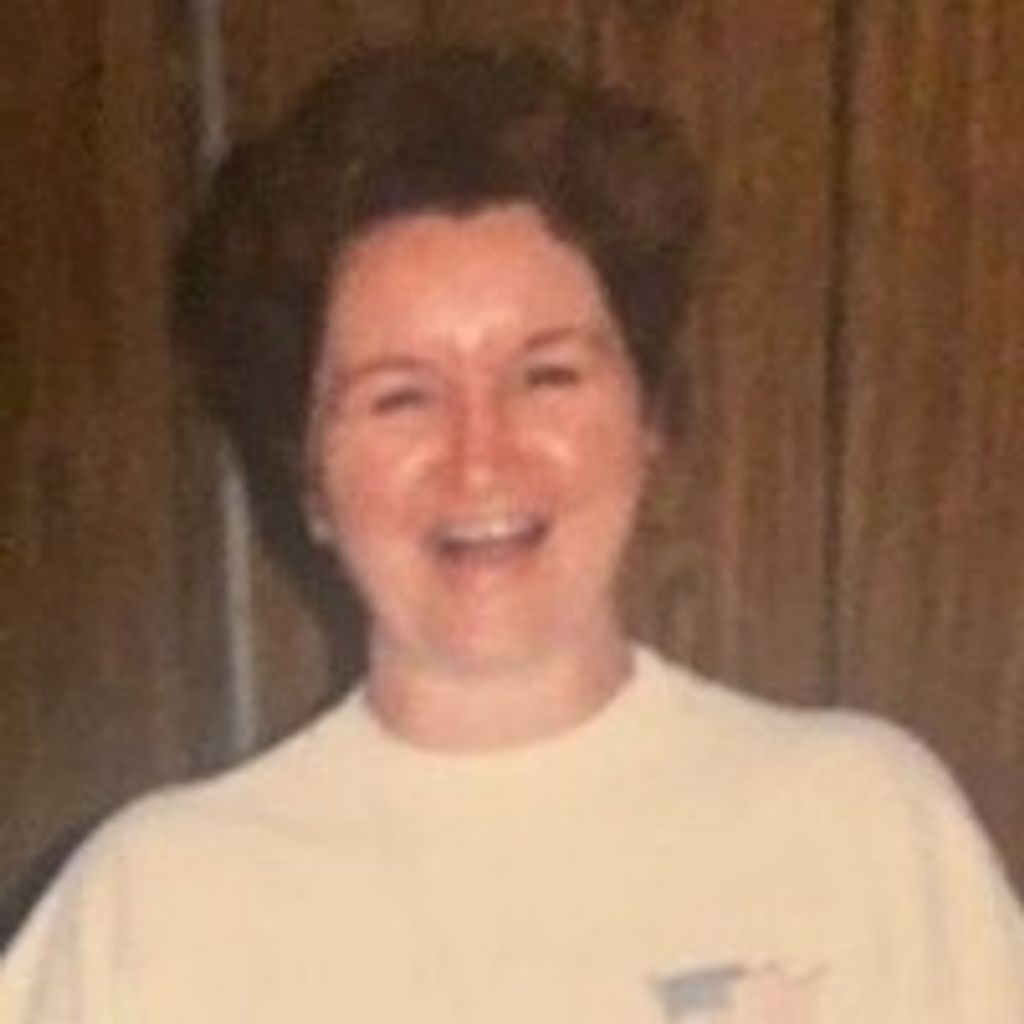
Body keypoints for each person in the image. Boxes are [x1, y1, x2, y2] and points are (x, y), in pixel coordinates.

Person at [1, 43, 1021, 1024]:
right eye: (401, 397)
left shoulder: (861, 827)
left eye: (547, 376)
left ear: (649, 419)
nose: (479, 458)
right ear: (308, 476)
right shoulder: (156, 907)